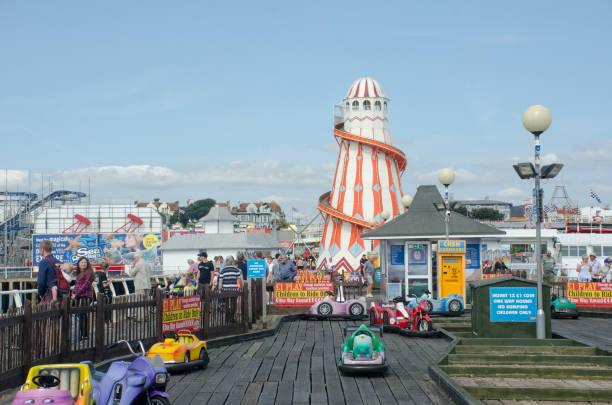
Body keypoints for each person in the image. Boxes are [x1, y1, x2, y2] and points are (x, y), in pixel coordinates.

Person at [72, 257, 95, 340]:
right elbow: (77, 286)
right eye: (81, 262)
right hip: (79, 297)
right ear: (78, 264)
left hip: (85, 297)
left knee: (83, 316)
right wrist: (73, 293)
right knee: (81, 316)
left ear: (87, 263)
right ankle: (82, 334)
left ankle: (85, 335)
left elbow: (85, 286)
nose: (83, 264)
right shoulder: (80, 274)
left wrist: (76, 294)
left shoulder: (89, 272)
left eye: (85, 262)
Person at [96, 262, 113, 326]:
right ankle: (108, 322)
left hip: (101, 293)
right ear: (107, 268)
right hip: (105, 294)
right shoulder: (103, 274)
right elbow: (104, 285)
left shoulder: (99, 274)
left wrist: (107, 280)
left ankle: (106, 322)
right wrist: (110, 281)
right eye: (108, 267)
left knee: (104, 309)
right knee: (107, 309)